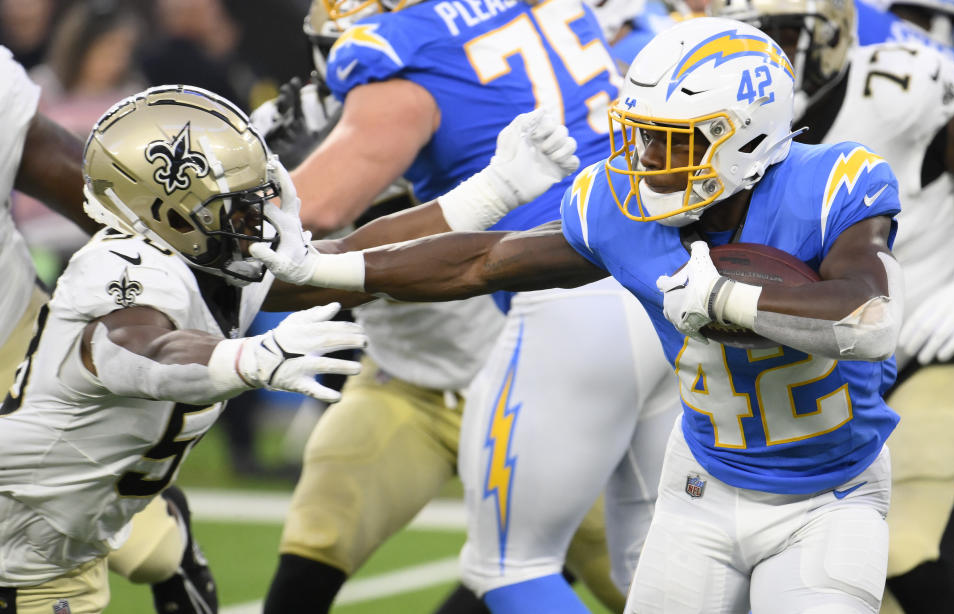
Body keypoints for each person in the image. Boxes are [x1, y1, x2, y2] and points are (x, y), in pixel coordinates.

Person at [252, 16, 905, 613]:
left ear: (746, 139)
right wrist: (326, 268)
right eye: (642, 136)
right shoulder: (616, 208)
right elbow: (479, 262)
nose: (645, 160)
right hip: (705, 487)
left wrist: (728, 299)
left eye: (669, 142)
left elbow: (870, 318)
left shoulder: (831, 184)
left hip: (829, 497)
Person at [259, 1, 681, 612]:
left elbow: (314, 212)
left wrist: (243, 180)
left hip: (565, 312)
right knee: (662, 561)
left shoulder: (403, 50)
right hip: (649, 285)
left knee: (509, 570)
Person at [0, 84, 372, 614]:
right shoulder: (125, 264)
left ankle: (165, 543)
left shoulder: (161, 264)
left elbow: (63, 166)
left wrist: (486, 197)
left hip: (13, 334)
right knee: (92, 508)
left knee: (88, 509)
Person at [708, 2, 954, 612]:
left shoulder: (905, 86)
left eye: (782, 35)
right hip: (802, 367)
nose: (759, 60)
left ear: (832, 32)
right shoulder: (702, 120)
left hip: (927, 348)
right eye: (742, 38)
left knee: (901, 549)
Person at [0, 47, 219, 614]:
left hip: (10, 344)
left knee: (61, 546)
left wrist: (173, 253)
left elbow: (69, 177)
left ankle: (168, 542)